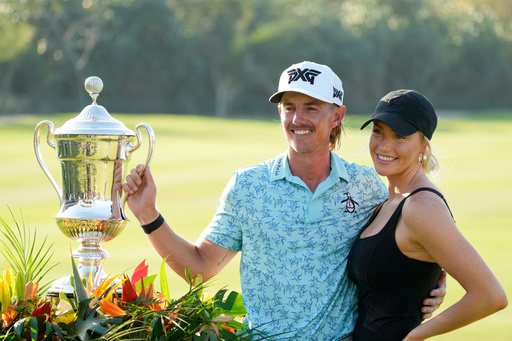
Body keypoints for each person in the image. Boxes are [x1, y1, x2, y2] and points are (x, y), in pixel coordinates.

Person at [122, 62, 446, 340]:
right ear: (280, 111)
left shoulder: (365, 187)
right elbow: (201, 267)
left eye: (311, 108)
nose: (297, 119)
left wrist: (430, 284)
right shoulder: (247, 186)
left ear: (336, 116)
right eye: (289, 107)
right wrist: (148, 214)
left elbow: (405, 243)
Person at [346, 89, 508, 341]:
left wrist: (415, 336)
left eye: (399, 135)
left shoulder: (421, 206)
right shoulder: (389, 199)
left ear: (424, 146)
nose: (384, 145)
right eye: (378, 131)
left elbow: (490, 296)